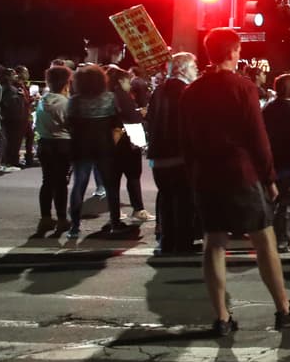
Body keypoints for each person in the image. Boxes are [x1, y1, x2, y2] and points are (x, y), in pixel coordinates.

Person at [180, 28, 290, 336]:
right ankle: (283, 308)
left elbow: (185, 140)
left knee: (214, 243)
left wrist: (193, 175)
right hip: (242, 173)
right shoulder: (244, 88)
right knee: (264, 242)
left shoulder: (191, 91)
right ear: (233, 52)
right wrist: (269, 177)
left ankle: (222, 317)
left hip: (207, 175)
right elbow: (257, 137)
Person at [66, 65, 134, 239]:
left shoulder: (75, 100)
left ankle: (74, 226)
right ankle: (115, 222)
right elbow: (117, 124)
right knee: (111, 186)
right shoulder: (109, 98)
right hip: (104, 148)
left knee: (79, 186)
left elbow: (69, 125)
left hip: (81, 148)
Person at [147, 52, 199, 254]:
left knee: (167, 199)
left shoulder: (158, 91)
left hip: (157, 156)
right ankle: (183, 243)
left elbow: (150, 120)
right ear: (184, 69)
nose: (196, 71)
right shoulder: (187, 91)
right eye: (194, 67)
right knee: (184, 200)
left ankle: (167, 242)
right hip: (179, 155)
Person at [262, 73, 290, 252]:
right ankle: (287, 237)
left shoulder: (268, 109)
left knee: (274, 201)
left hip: (273, 161)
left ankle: (273, 236)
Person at [33, 65, 73, 237]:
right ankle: (62, 219)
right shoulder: (66, 103)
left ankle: (46, 217)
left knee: (47, 181)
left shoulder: (42, 100)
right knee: (61, 183)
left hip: (44, 143)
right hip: (62, 144)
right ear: (66, 83)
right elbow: (71, 125)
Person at [108, 66, 149, 223]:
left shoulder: (110, 94)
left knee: (114, 180)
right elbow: (127, 118)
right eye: (127, 80)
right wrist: (139, 114)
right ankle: (136, 210)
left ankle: (115, 213)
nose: (130, 84)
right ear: (120, 81)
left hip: (119, 143)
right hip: (127, 143)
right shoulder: (121, 96)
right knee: (132, 176)